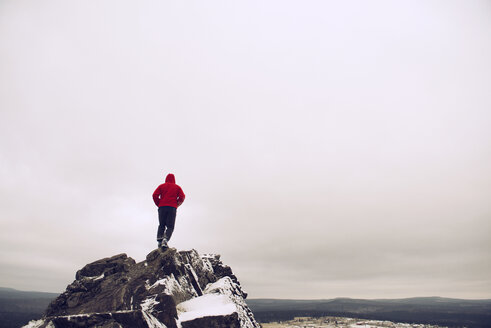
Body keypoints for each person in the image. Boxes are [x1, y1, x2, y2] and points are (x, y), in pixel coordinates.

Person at [152, 173, 185, 249]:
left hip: (162, 207)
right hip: (172, 208)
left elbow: (154, 195)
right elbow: (182, 197)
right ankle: (165, 240)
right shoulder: (177, 187)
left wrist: (159, 203)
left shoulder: (161, 186)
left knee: (162, 224)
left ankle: (160, 241)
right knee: (170, 226)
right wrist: (177, 204)